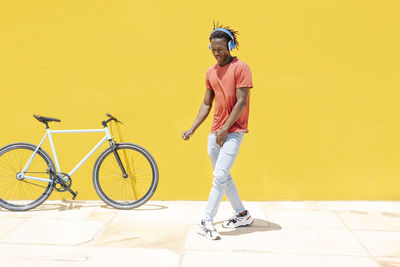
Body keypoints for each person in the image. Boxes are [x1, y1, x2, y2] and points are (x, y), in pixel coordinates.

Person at [182, 23, 254, 240]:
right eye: (213, 49)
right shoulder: (210, 72)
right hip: (215, 132)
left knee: (220, 176)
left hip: (233, 131)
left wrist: (225, 130)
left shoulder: (241, 68)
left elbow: (241, 102)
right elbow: (206, 104)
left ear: (230, 46)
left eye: (220, 49)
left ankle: (206, 221)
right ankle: (242, 214)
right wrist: (192, 128)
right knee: (223, 177)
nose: (216, 53)